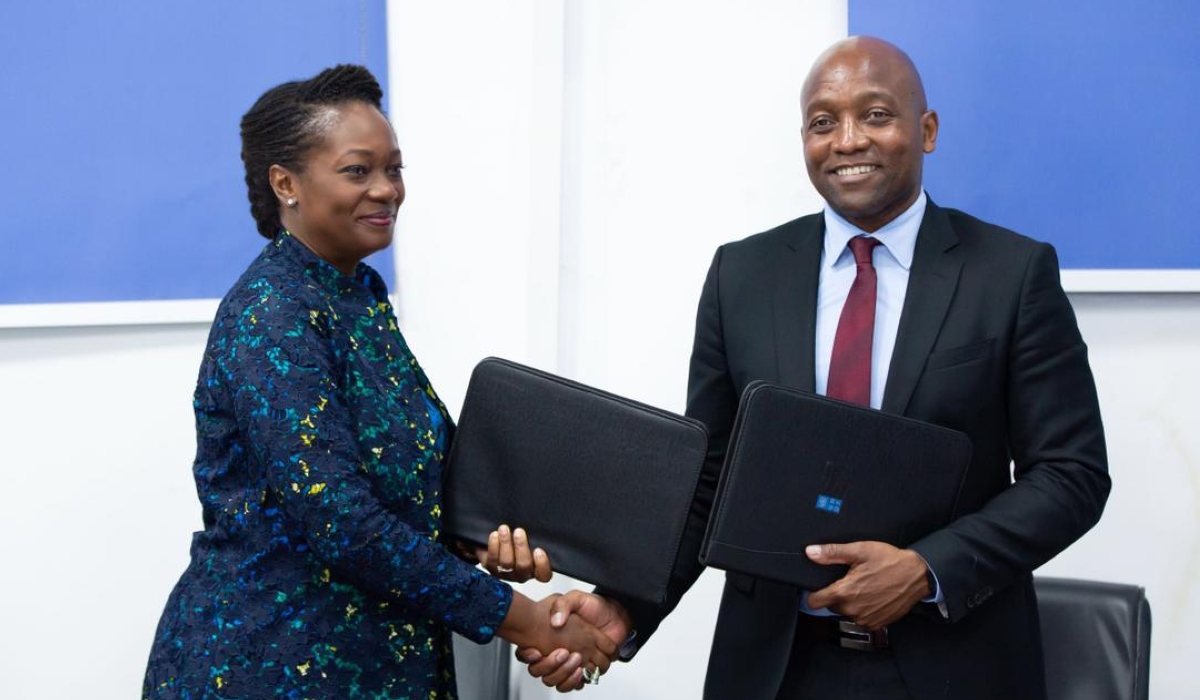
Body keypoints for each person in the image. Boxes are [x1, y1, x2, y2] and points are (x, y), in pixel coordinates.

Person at [522, 36, 1111, 699]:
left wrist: (925, 568)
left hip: (953, 666)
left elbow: (1071, 473)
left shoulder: (1010, 273)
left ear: (928, 130)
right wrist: (628, 605)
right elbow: (709, 479)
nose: (848, 140)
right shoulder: (742, 275)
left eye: (877, 115)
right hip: (776, 670)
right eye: (823, 122)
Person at [141, 65, 616, 700]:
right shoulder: (273, 314)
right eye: (358, 170)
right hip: (273, 665)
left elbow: (411, 492)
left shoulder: (355, 298)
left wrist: (488, 541)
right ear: (285, 183)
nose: (386, 189)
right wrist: (527, 619)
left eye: (394, 169)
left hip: (373, 662)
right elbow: (343, 521)